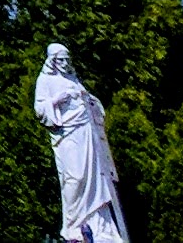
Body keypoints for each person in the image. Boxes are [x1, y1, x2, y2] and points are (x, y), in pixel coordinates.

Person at [41, 41, 131, 243]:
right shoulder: (45, 81)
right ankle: (73, 225)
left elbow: (92, 103)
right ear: (53, 61)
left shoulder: (73, 79)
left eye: (67, 59)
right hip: (68, 134)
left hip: (86, 133)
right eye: (61, 60)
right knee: (75, 177)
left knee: (96, 178)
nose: (65, 63)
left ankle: (99, 225)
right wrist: (57, 100)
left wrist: (91, 101)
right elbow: (41, 110)